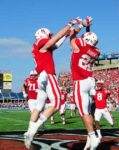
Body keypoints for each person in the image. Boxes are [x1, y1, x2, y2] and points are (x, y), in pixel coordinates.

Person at [24, 17, 82, 149]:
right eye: (48, 35)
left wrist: (73, 31)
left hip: (41, 78)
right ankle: (33, 129)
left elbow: (58, 42)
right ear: (43, 35)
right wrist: (69, 24)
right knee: (56, 103)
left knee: (39, 106)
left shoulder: (40, 47)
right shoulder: (42, 42)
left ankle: (29, 131)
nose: (50, 37)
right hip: (48, 75)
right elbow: (57, 37)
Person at [69, 16, 100, 150]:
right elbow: (87, 43)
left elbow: (72, 36)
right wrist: (88, 28)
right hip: (89, 81)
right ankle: (90, 139)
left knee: (83, 113)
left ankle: (93, 136)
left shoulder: (81, 45)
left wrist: (81, 25)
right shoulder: (96, 52)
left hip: (80, 82)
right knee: (87, 111)